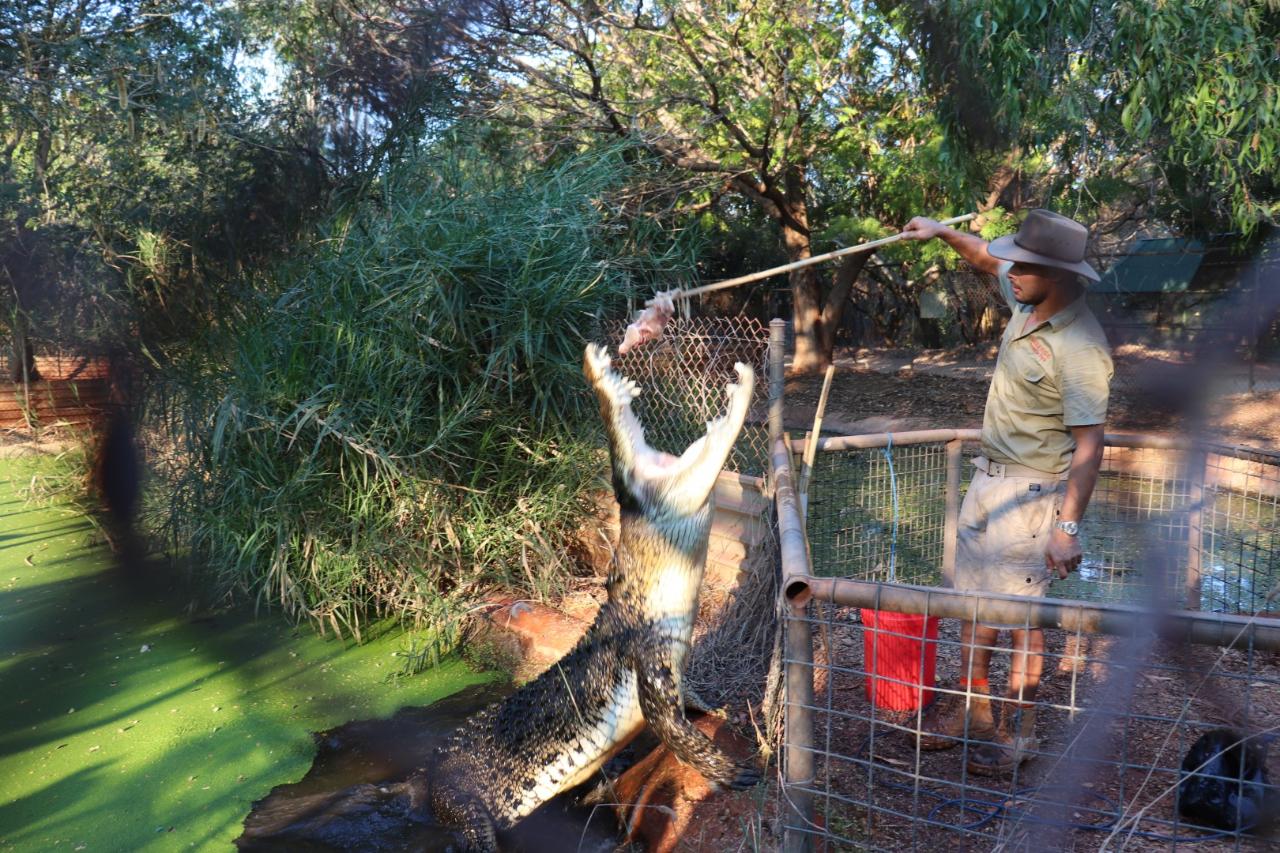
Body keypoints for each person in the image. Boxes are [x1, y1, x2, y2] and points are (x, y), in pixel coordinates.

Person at [899, 209, 1113, 775]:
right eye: (1015, 259)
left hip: (1033, 497)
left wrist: (1066, 529)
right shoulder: (1025, 299)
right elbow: (985, 256)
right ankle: (977, 713)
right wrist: (941, 232)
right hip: (987, 481)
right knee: (972, 607)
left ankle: (1020, 730)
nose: (1011, 269)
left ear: (1062, 275)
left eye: (1026, 263)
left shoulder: (1082, 347)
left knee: (1020, 620)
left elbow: (1089, 447)